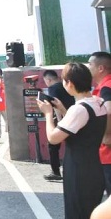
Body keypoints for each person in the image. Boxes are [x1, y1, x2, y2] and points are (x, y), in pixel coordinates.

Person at [37, 62, 107, 219]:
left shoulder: (79, 109)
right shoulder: (98, 102)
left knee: (76, 213)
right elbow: (82, 126)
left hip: (78, 170)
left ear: (70, 83)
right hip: (94, 166)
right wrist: (63, 109)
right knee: (89, 211)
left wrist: (48, 114)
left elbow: (53, 138)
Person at [42, 69, 75, 181]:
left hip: (63, 119)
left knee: (53, 145)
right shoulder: (65, 86)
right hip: (73, 117)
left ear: (48, 80)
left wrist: (60, 121)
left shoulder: (53, 88)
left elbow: (55, 104)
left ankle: (55, 172)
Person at [90, 51, 111, 195]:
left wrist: (107, 135)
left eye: (90, 64)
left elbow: (108, 111)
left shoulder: (106, 87)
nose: (88, 67)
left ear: (101, 68)